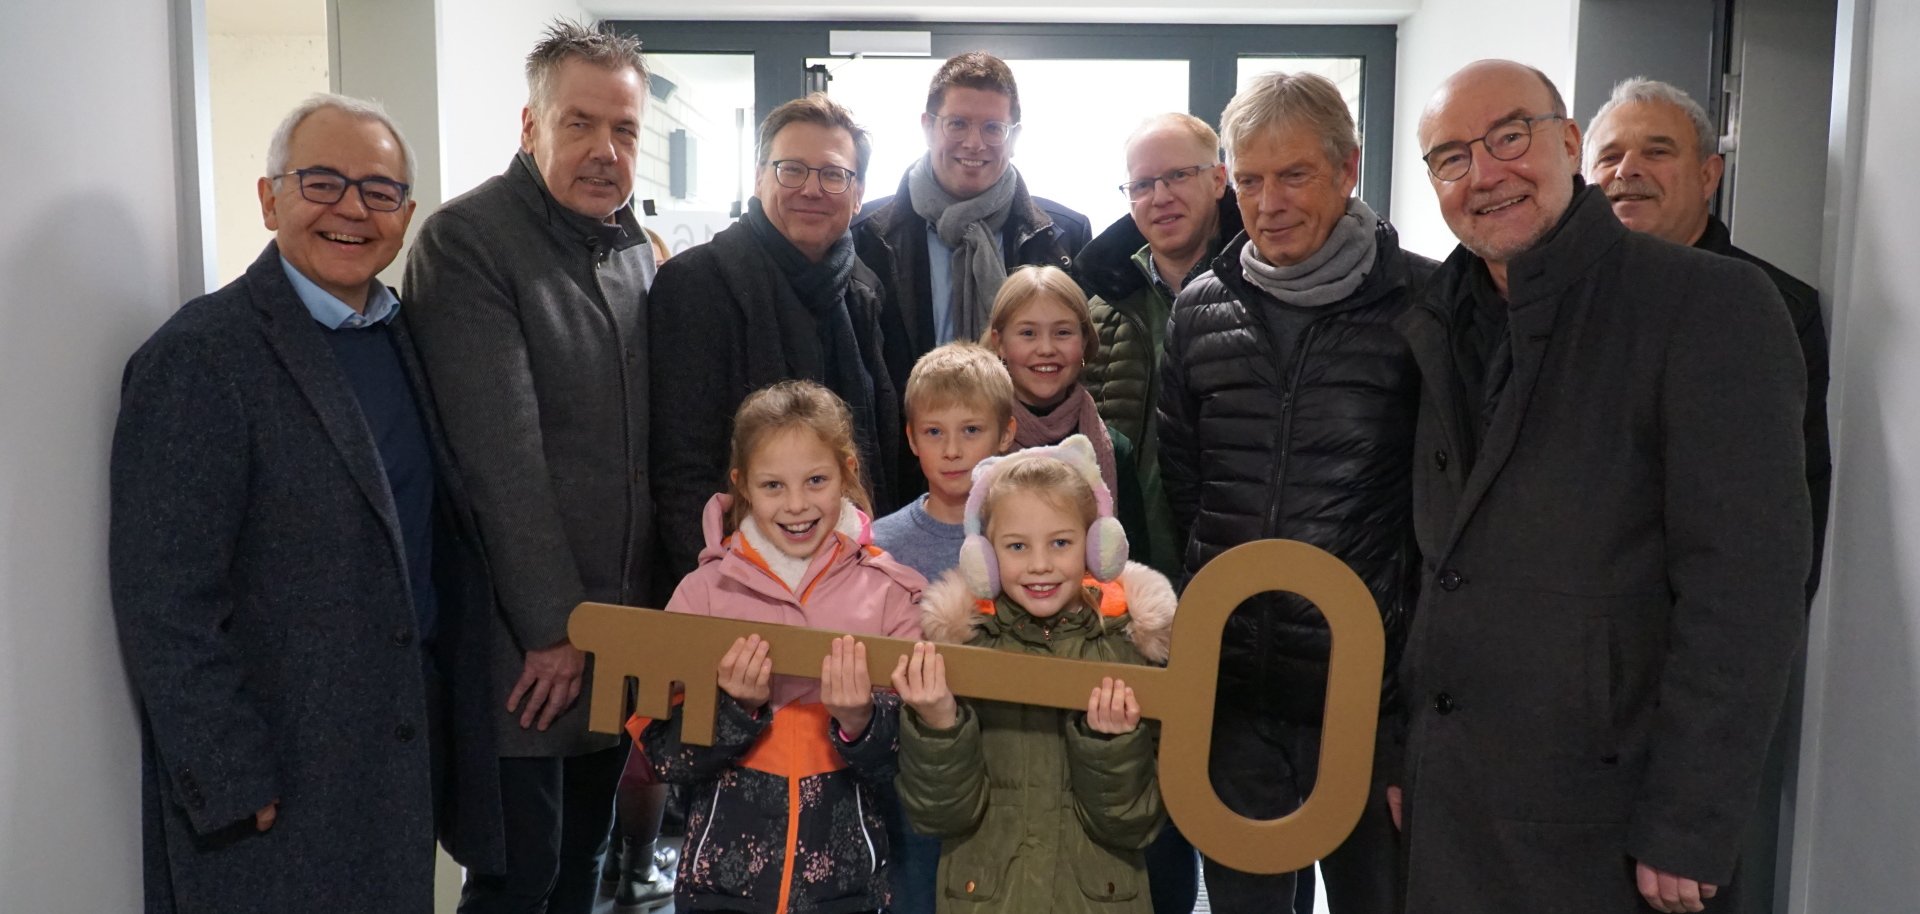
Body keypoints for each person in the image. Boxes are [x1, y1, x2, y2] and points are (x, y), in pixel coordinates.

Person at [1398, 59, 1810, 913]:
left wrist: (1690, 820)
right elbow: (1434, 563)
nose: (1485, 174)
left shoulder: (1709, 306)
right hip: (1453, 795)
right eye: (1450, 158)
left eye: (1509, 136)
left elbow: (1745, 589)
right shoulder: (1437, 317)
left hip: (1607, 819)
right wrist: (1402, 750)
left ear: (1570, 143)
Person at [110, 94, 500, 912]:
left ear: (406, 215)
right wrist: (226, 774)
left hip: (394, 766)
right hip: (273, 788)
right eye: (322, 182)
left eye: (379, 190)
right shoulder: (200, 358)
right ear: (268, 197)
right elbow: (164, 596)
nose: (352, 209)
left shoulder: (403, 338)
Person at [1156, 71, 1427, 914]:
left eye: (1294, 175)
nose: (1267, 203)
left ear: (1347, 170)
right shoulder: (1201, 308)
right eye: (1248, 180)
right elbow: (1184, 488)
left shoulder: (1425, 306)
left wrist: (1412, 714)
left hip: (1369, 706)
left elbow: (1447, 522)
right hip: (1233, 696)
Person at [402, 21, 658, 914]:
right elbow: (496, 455)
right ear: (529, 125)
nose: (603, 151)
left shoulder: (629, 247)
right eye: (579, 124)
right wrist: (557, 627)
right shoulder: (468, 241)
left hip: (613, 632)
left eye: (623, 130)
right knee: (517, 879)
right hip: (528, 645)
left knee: (584, 862)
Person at [634, 380, 925, 913]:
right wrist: (733, 709)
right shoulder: (702, 593)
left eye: (816, 480)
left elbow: (917, 760)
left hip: (847, 893)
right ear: (743, 485)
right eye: (773, 486)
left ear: (847, 473)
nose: (796, 505)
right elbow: (663, 757)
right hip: (720, 891)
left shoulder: (891, 593)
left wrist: (860, 719)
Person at [892, 436, 1175, 914]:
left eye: (1061, 543)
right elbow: (938, 815)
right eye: (1017, 546)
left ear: (1096, 547)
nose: (1040, 564)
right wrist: (940, 725)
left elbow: (1136, 823)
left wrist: (1110, 745)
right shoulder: (959, 652)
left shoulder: (1127, 651)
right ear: (982, 557)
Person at [1582, 76, 1831, 604]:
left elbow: (1784, 515)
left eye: (1657, 151)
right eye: (1609, 157)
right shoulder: (1554, 300)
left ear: (1707, 174)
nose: (1628, 171)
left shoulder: (1774, 308)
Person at [651, 93, 900, 580]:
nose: (812, 189)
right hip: (735, 585)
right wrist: (719, 592)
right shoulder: (696, 283)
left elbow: (880, 449)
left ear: (858, 193)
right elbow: (681, 470)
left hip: (852, 581)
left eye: (833, 174)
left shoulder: (864, 290)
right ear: (761, 176)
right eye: (792, 169)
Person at [871, 341, 1019, 914]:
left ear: (1006, 433)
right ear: (911, 438)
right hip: (911, 773)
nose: (952, 450)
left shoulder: (1031, 538)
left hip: (1007, 767)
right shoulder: (880, 544)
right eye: (934, 433)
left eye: (971, 430)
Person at [854, 51, 1093, 405]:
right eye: (958, 123)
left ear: (1013, 138)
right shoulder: (866, 236)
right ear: (927, 127)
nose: (974, 143)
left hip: (1027, 451)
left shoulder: (1064, 237)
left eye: (993, 128)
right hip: (906, 451)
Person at [1077, 113, 1239, 580]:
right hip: (1122, 573)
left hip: (1228, 568)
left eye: (1178, 176)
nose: (1161, 197)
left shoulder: (1262, 296)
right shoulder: (1098, 313)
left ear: (1218, 179)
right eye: (1142, 184)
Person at [982, 266, 1146, 539]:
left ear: (1084, 342)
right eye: (1028, 333)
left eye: (1062, 333)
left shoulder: (1116, 450)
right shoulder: (971, 440)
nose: (1046, 349)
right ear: (1000, 344)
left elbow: (1137, 567)